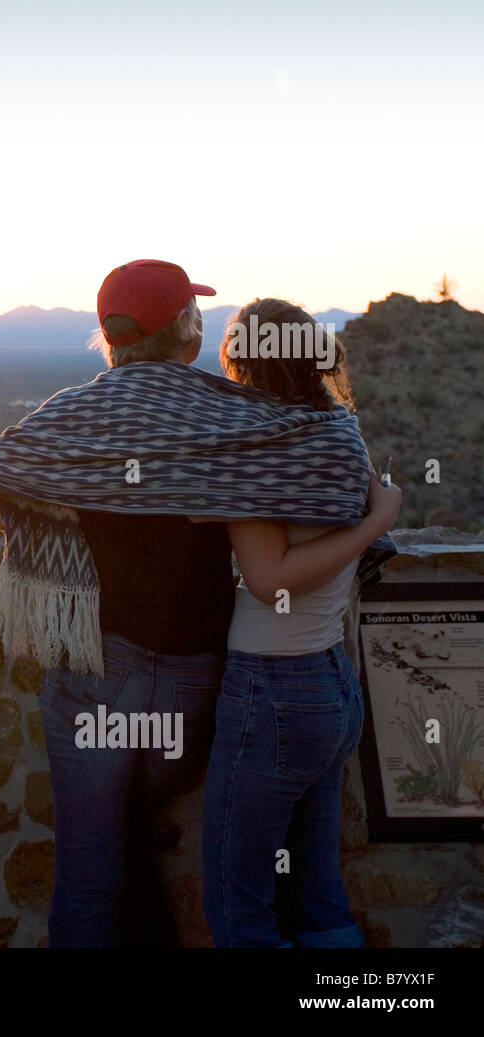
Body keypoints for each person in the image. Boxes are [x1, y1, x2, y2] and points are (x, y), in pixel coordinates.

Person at [0, 260, 395, 947]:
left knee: (89, 864)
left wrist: (69, 513)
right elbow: (316, 479)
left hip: (96, 668)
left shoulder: (75, 411)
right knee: (166, 848)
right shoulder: (240, 414)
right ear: (186, 329)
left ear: (111, 337)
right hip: (200, 678)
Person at [197, 299, 402, 947]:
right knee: (317, 893)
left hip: (272, 689)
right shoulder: (342, 430)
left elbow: (268, 577)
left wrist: (375, 524)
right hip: (332, 685)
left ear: (248, 361)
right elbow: (370, 505)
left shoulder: (260, 449)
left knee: (239, 902)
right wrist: (379, 516)